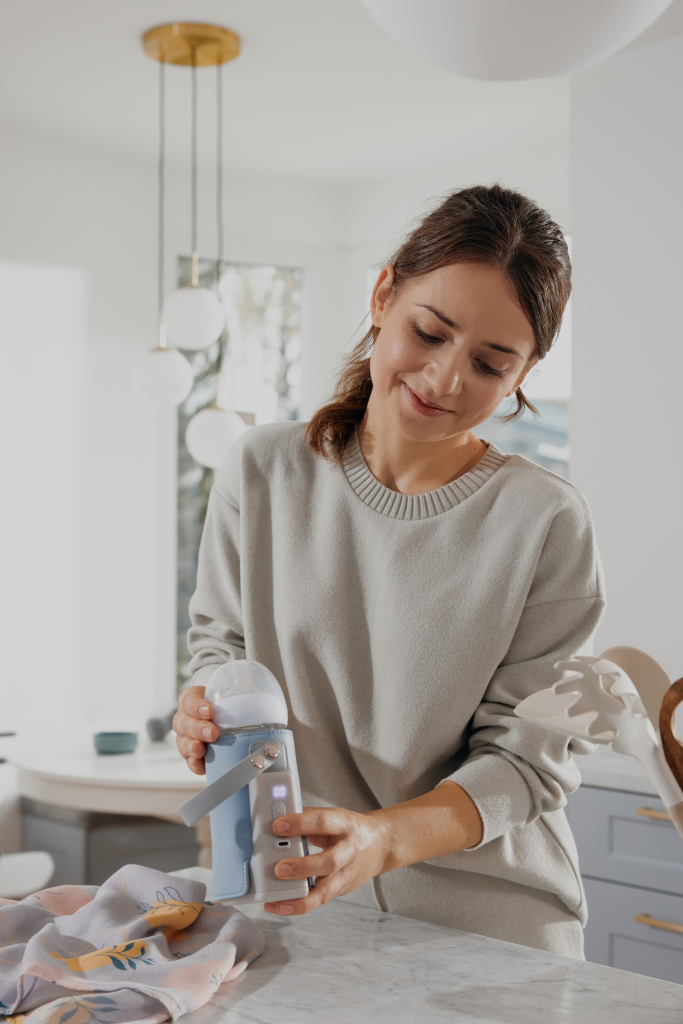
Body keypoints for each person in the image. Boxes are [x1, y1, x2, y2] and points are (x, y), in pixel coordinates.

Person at [173, 184, 604, 959]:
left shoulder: (545, 521)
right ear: (382, 294)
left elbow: (526, 764)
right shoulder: (263, 471)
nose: (443, 379)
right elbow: (220, 647)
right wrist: (202, 707)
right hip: (297, 904)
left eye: (489, 362)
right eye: (429, 332)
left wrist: (381, 840)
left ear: (525, 371)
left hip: (494, 927)